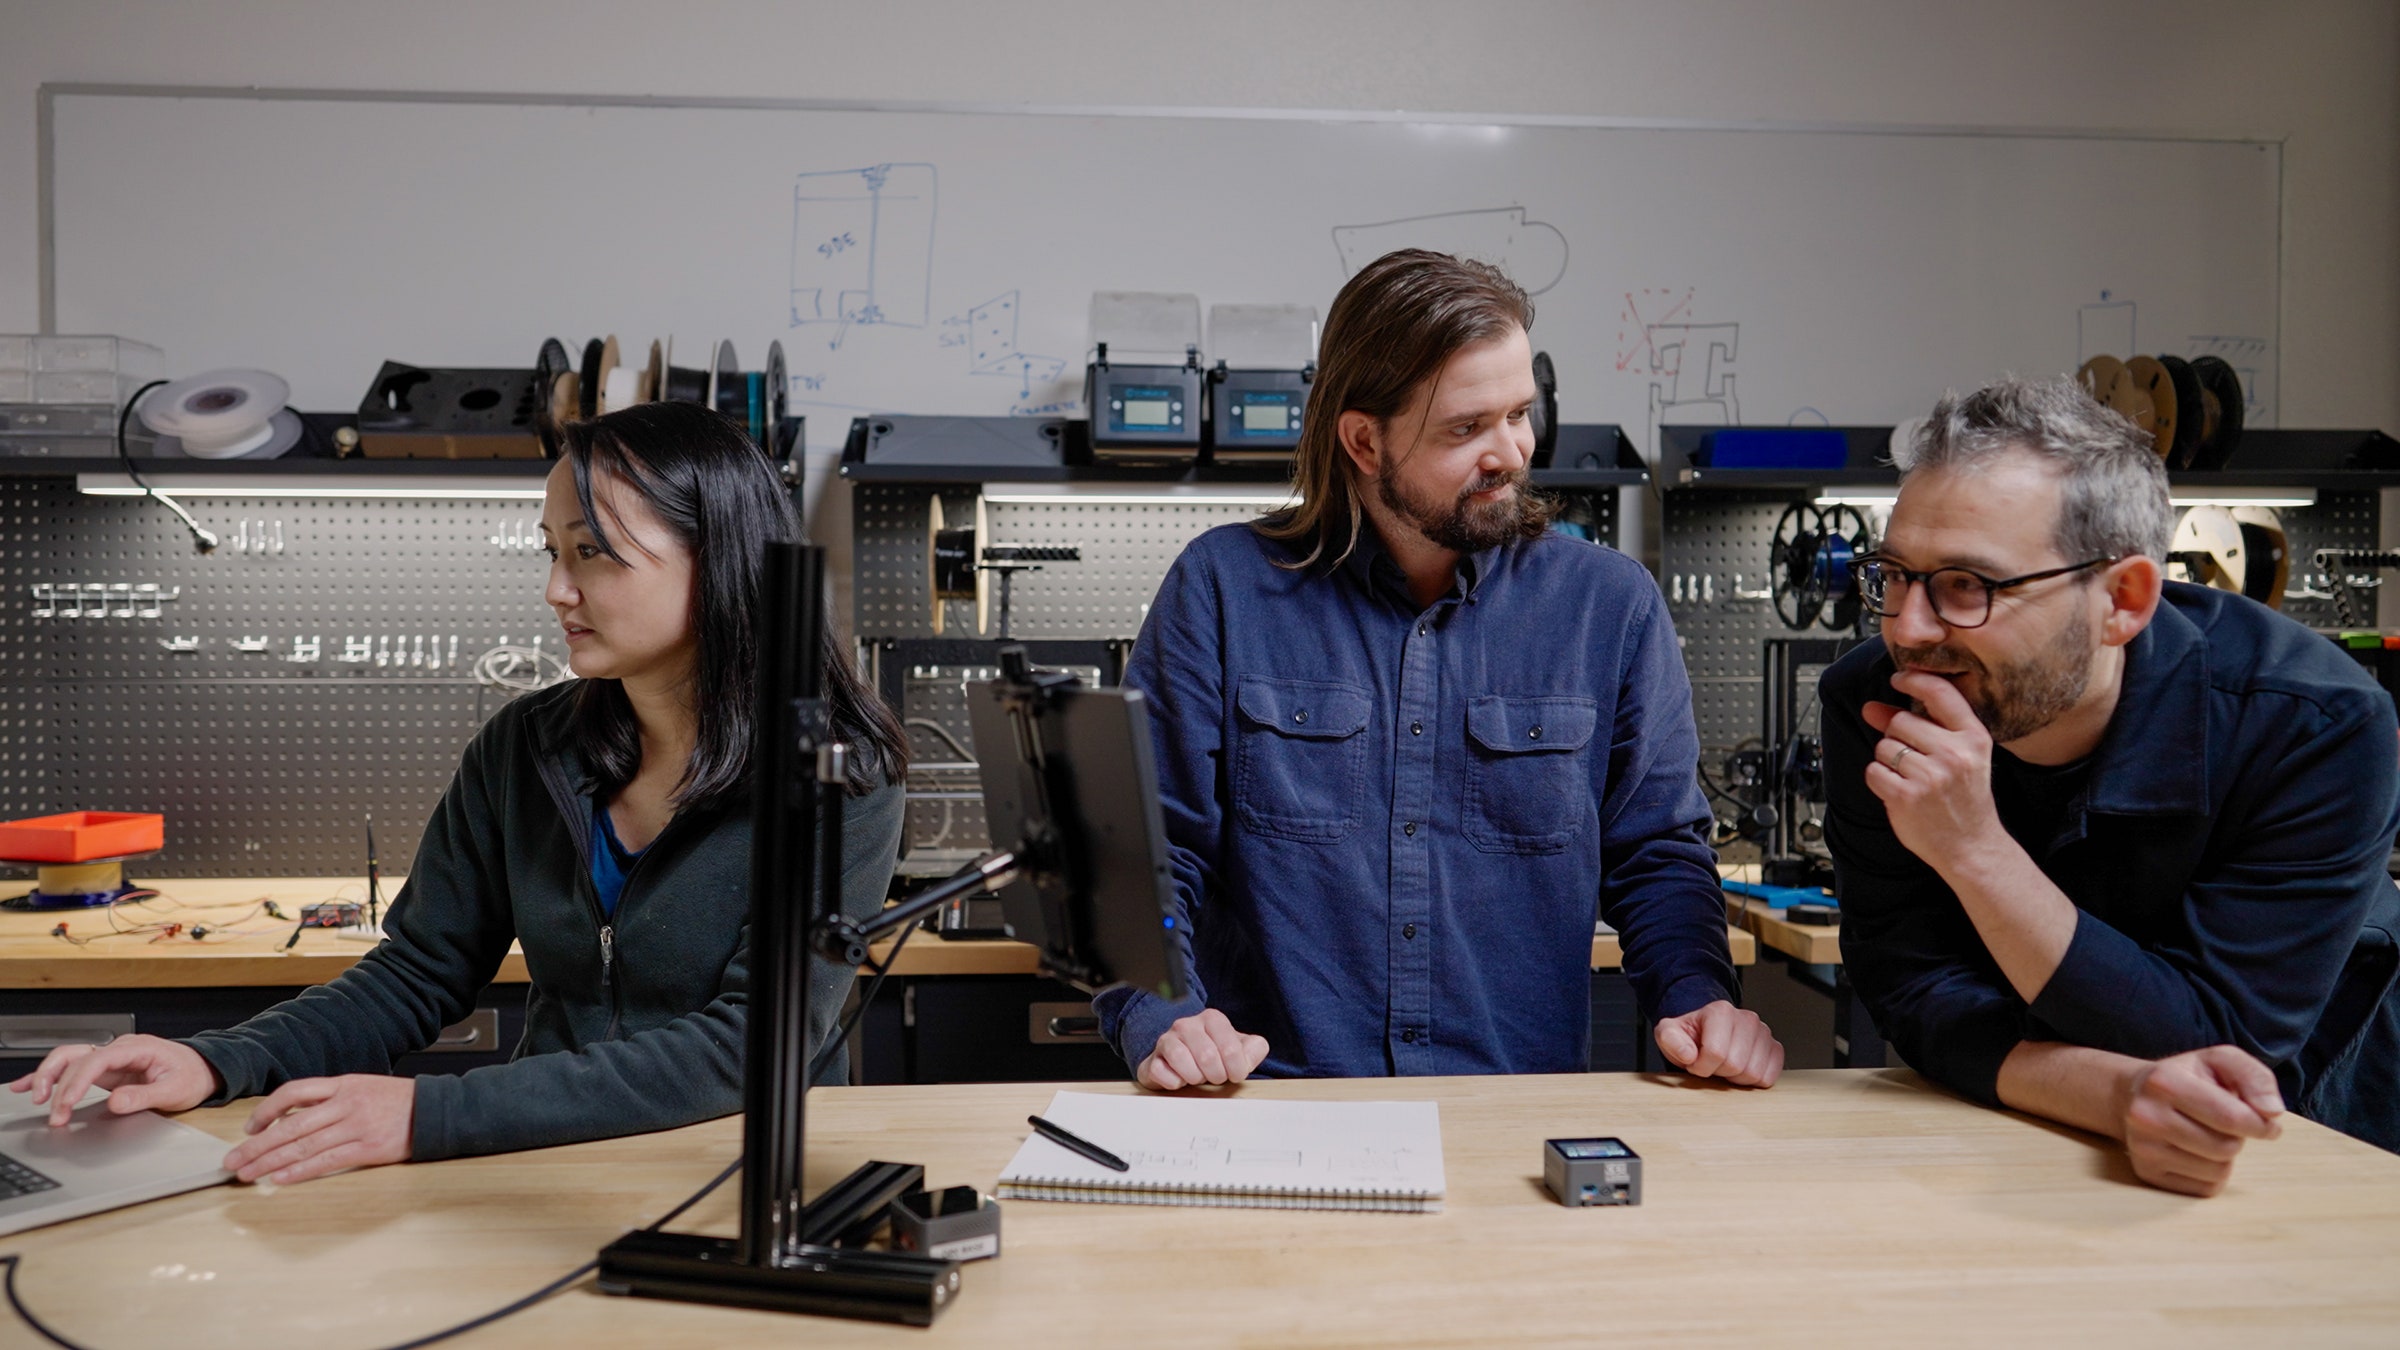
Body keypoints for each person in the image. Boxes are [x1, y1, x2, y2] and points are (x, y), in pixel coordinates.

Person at [9, 401, 909, 1184]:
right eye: (552, 551)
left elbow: (751, 1042)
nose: (557, 590)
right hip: (538, 1163)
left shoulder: (835, 769)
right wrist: (216, 1061)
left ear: (720, 563)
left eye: (593, 554)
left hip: (739, 1175)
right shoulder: (529, 747)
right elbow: (417, 972)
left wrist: (425, 1116)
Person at [1096, 249, 1782, 1090]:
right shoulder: (1222, 591)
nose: (1511, 453)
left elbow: (1655, 853)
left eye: (1520, 415)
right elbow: (1148, 857)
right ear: (1363, 440)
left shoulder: (1609, 608)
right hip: (1273, 1116)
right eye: (1467, 428)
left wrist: (1698, 996)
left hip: (1514, 1118)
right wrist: (1162, 1017)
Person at [1822, 376, 2400, 1196]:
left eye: (1967, 586)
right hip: (2029, 1135)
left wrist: (1977, 854)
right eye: (1894, 575)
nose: (1908, 630)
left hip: (2301, 1139)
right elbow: (1910, 990)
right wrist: (2114, 1093)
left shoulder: (2315, 724)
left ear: (2123, 600)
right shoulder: (1873, 700)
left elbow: (2216, 1046)